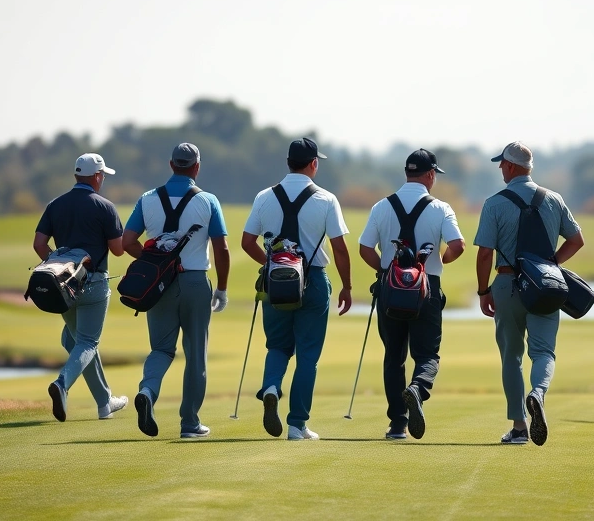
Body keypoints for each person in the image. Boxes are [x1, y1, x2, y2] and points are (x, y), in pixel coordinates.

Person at [241, 136, 353, 441]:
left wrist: (268, 265)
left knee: (277, 346)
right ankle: (297, 424)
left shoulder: (264, 196)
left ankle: (272, 387)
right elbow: (340, 250)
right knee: (307, 356)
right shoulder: (326, 199)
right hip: (314, 281)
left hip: (275, 281)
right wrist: (347, 286)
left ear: (288, 162)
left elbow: (247, 242)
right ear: (314, 164)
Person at [474, 142, 584, 446]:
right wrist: (551, 264)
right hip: (547, 287)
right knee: (544, 352)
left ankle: (520, 427)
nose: (499, 168)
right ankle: (538, 393)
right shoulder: (554, 199)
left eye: (502, 164)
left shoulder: (494, 203)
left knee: (512, 356)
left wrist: (483, 291)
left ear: (510, 167)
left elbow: (485, 254)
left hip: (507, 286)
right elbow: (577, 240)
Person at [122, 143, 231, 439]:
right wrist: (221, 287)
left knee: (160, 349)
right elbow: (221, 247)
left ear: (172, 165)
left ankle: (147, 390)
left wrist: (153, 263)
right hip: (196, 283)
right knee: (195, 354)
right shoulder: (208, 200)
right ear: (196, 167)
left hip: (160, 284)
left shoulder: (147, 199)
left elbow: (127, 241)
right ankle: (190, 424)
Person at [358, 149, 466, 440]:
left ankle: (397, 425)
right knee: (427, 354)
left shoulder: (382, 206)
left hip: (390, 289)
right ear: (430, 175)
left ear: (407, 173)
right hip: (426, 288)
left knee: (394, 356)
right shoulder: (441, 208)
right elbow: (458, 245)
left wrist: (386, 269)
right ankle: (417, 389)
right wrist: (436, 263)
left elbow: (365, 248)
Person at [33, 153, 128, 422]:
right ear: (96, 176)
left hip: (63, 286)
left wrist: (60, 266)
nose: (103, 180)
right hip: (94, 283)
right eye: (103, 176)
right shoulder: (105, 206)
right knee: (87, 341)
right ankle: (62, 384)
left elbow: (40, 244)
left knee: (73, 339)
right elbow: (118, 250)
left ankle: (104, 402)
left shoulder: (55, 205)